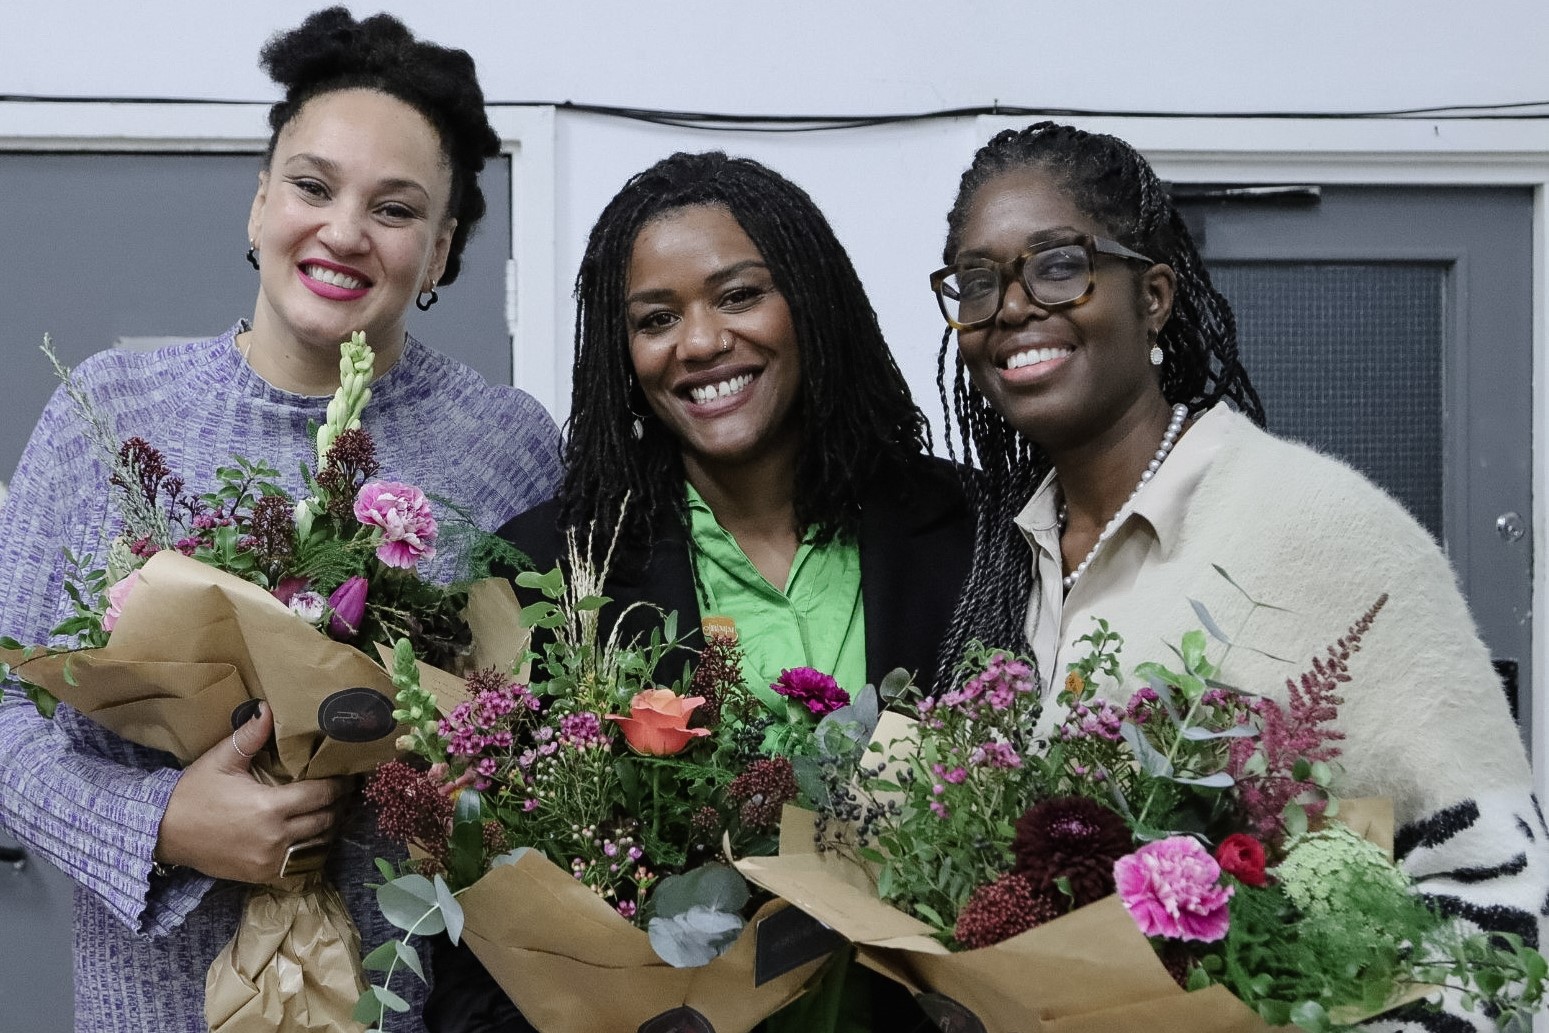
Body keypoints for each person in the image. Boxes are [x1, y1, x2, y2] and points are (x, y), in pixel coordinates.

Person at [0, 9, 561, 1032]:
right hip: (150, 1007)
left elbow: (542, 739)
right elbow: (3, 715)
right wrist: (162, 819)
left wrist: (455, 788)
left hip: (407, 1004)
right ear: (259, 205)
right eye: (311, 186)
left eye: (394, 210)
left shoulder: (508, 446)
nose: (343, 231)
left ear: (440, 254)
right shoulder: (110, 413)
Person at [933, 120, 1545, 1031]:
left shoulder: (1319, 525)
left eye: (1059, 264)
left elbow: (1497, 888)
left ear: (1154, 296)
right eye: (977, 282)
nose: (1012, 306)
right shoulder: (997, 556)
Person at [427, 152, 971, 1032]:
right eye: (655, 317)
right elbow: (483, 932)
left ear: (811, 301)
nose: (700, 340)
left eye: (738, 294)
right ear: (623, 352)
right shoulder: (551, 571)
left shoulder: (965, 531)